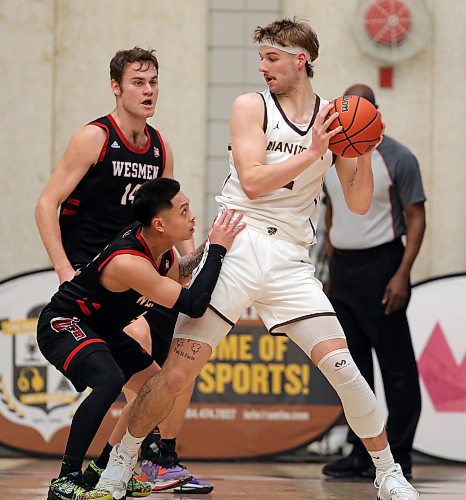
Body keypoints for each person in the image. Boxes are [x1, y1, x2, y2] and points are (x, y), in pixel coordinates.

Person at [98, 18, 420, 500]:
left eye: (272, 57)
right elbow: (252, 180)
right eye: (261, 57)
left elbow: (356, 202)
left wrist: (366, 149)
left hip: (291, 258)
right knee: (176, 374)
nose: (262, 66)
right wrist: (315, 152)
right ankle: (120, 465)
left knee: (345, 370)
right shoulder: (252, 105)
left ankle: (388, 471)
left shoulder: (335, 117)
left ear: (300, 60)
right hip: (236, 246)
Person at [35, 47, 210, 494]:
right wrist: (62, 268)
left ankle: (138, 458)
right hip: (98, 270)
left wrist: (188, 262)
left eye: (153, 82)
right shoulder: (94, 138)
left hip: (142, 267)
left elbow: (170, 213)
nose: (148, 90)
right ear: (116, 87)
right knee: (134, 354)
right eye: (137, 82)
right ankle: (121, 463)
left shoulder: (159, 145)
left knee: (176, 363)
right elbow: (46, 204)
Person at [38, 178, 244, 500]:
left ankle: (104, 467)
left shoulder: (161, 253)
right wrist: (217, 248)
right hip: (64, 323)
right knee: (109, 379)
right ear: (160, 223)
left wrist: (212, 243)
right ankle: (66, 478)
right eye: (184, 210)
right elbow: (193, 303)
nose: (192, 216)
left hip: (102, 330)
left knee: (155, 389)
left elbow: (183, 275)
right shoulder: (129, 261)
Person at [322, 84, 425, 480]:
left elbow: (416, 217)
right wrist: (330, 267)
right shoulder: (332, 154)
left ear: (376, 113)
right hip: (343, 270)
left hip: (383, 266)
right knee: (352, 368)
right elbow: (332, 213)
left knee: (396, 369)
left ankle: (399, 455)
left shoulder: (399, 157)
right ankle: (362, 454)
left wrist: (402, 273)